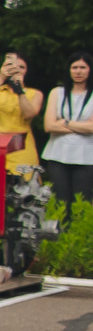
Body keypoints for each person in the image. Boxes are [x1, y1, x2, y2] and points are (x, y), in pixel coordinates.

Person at [45, 53, 93, 221]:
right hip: (58, 154)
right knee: (59, 201)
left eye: (82, 67)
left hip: (86, 157)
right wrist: (82, 127)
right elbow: (49, 125)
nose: (78, 71)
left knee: (83, 201)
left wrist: (64, 122)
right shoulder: (57, 93)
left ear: (89, 70)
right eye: (74, 67)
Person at [0, 52, 42, 172]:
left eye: (21, 67)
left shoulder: (35, 94)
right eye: (12, 66)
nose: (17, 70)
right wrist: (1, 78)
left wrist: (19, 90)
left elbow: (29, 114)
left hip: (21, 148)